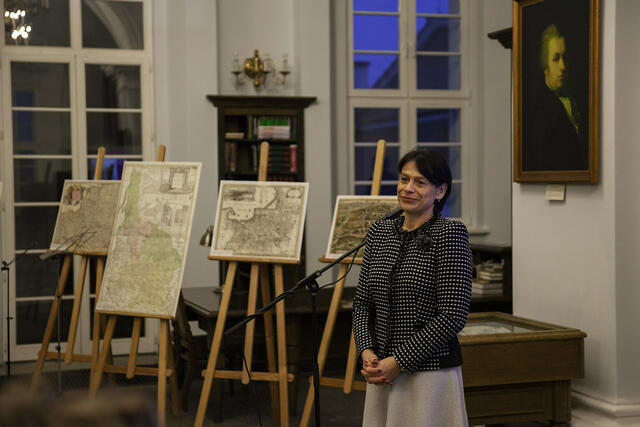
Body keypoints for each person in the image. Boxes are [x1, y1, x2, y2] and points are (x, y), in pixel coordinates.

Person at [352, 149, 472, 426]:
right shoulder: (379, 232)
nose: (407, 188)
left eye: (420, 182)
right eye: (404, 179)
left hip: (429, 374)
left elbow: (453, 315)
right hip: (381, 370)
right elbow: (362, 304)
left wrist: (399, 361)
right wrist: (367, 352)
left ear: (440, 191)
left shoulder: (450, 234)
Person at [524, 24, 588, 171]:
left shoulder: (575, 102)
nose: (563, 66)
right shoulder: (541, 110)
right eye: (556, 59)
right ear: (544, 66)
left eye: (565, 57)